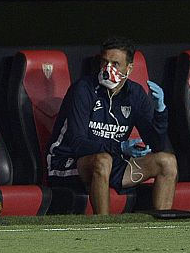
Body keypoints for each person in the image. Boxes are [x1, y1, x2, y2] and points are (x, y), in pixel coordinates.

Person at [47, 37, 178, 215]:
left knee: (167, 162)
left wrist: (160, 112)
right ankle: (106, 228)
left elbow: (157, 145)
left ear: (129, 68)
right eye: (105, 62)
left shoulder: (135, 93)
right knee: (103, 160)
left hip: (111, 160)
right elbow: (77, 144)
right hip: (67, 162)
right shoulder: (83, 90)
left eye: (116, 64)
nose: (109, 69)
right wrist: (120, 147)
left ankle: (163, 233)